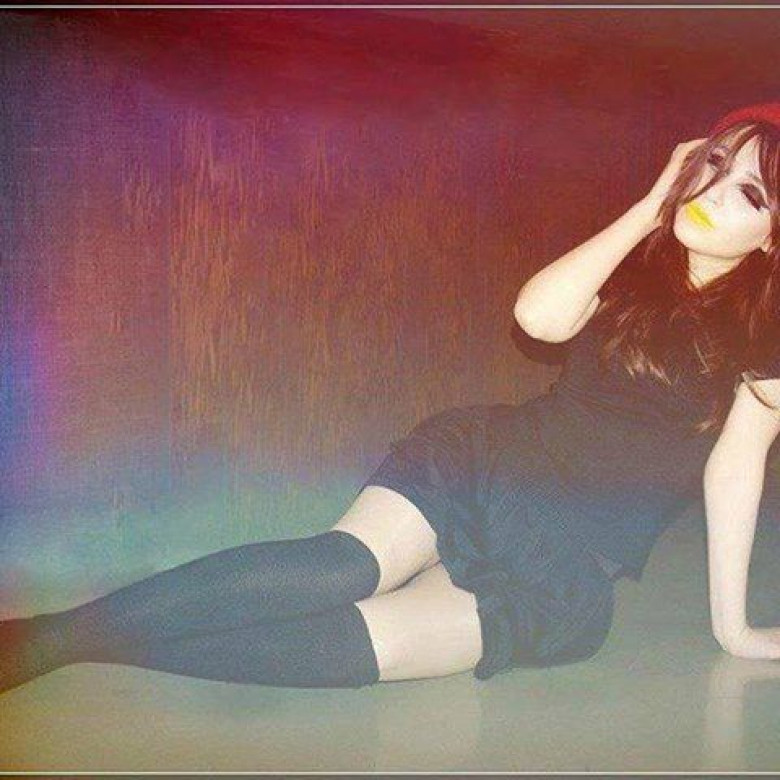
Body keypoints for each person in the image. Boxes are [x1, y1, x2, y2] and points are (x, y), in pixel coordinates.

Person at [3, 102, 780, 695]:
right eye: (712, 163)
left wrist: (733, 626)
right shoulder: (633, 270)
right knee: (339, 569)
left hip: (569, 555)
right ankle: (46, 640)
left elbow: (734, 469)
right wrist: (650, 206)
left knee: (371, 643)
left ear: (773, 236)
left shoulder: (762, 338)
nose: (713, 193)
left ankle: (84, 644)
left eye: (748, 192)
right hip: (492, 462)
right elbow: (539, 319)